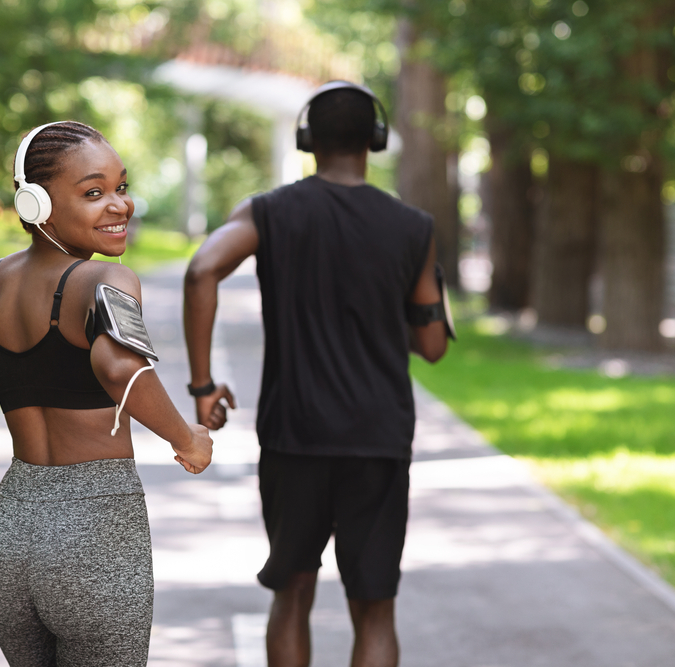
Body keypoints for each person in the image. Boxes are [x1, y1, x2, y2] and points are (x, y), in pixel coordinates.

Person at [0, 120, 213, 667]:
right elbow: (118, 365)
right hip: (94, 541)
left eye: (121, 188)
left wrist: (14, 357)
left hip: (7, 540)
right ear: (36, 204)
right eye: (93, 193)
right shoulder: (107, 281)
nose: (119, 205)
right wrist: (186, 439)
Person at [183, 82, 450, 667]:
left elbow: (202, 270)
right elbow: (432, 346)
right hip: (378, 439)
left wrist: (202, 387)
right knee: (375, 609)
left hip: (294, 435)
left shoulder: (267, 212)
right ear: (376, 139)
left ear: (307, 139)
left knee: (293, 592)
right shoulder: (413, 226)